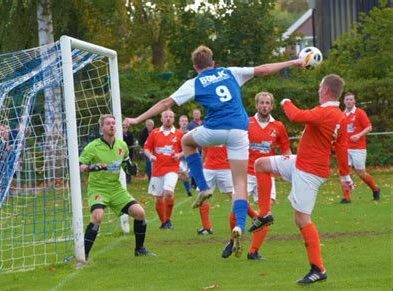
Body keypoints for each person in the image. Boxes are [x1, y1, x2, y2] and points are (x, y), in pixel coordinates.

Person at [124, 45, 303, 257]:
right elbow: (263, 69)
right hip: (238, 130)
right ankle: (239, 226)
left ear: (195, 67)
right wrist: (292, 62)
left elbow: (165, 103)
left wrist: (136, 119)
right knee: (240, 184)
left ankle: (203, 187)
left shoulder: (195, 82)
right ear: (213, 63)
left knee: (187, 143)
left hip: (213, 130)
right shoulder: (230, 72)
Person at [249, 74, 353, 284]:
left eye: (319, 87)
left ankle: (318, 268)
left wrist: (285, 101)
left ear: (325, 91)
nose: (317, 90)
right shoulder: (339, 116)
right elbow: (341, 148)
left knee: (301, 219)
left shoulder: (326, 112)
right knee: (261, 164)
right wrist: (345, 175)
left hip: (310, 171)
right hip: (300, 163)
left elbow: (295, 115)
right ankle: (264, 214)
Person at [221, 92, 290, 259]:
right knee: (235, 211)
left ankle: (253, 252)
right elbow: (231, 141)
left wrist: (285, 165)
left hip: (266, 174)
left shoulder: (278, 126)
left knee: (265, 214)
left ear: (271, 106)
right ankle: (233, 240)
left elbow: (285, 148)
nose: (264, 106)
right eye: (261, 103)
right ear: (256, 105)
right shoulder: (246, 123)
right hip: (245, 173)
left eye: (267, 103)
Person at [79, 114, 155, 259]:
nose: (112, 126)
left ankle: (139, 249)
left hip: (116, 189)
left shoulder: (122, 146)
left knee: (140, 212)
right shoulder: (93, 147)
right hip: (98, 188)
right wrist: (94, 167)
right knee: (97, 216)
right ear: (101, 127)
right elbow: (80, 166)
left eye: (113, 123)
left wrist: (132, 169)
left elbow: (127, 164)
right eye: (108, 123)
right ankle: (84, 255)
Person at [143, 110, 183, 230]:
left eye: (171, 116)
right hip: (157, 170)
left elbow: (187, 149)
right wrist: (151, 156)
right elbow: (146, 148)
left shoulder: (179, 134)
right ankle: (163, 222)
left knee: (168, 193)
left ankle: (168, 220)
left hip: (172, 168)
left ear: (173, 119)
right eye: (166, 116)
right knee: (158, 199)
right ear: (161, 119)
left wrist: (179, 155)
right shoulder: (155, 133)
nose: (168, 118)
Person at [340, 92, 380, 203]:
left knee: (361, 173)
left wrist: (358, 135)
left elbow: (369, 127)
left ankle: (375, 189)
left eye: (350, 99)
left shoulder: (360, 113)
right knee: (344, 172)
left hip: (358, 148)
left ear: (354, 101)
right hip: (344, 148)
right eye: (346, 99)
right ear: (344, 101)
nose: (348, 101)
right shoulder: (341, 114)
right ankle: (346, 198)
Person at [197, 145, 233, 235]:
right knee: (202, 195)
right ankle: (206, 227)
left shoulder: (229, 132)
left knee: (235, 196)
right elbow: (204, 150)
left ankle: (253, 218)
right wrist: (201, 166)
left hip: (226, 168)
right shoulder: (209, 132)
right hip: (209, 168)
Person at [178, 115, 192, 197]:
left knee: (184, 176)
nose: (184, 122)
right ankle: (189, 189)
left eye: (185, 121)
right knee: (184, 173)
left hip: (188, 155)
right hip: (179, 156)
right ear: (179, 122)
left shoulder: (190, 133)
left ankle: (188, 190)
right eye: (182, 121)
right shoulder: (176, 132)